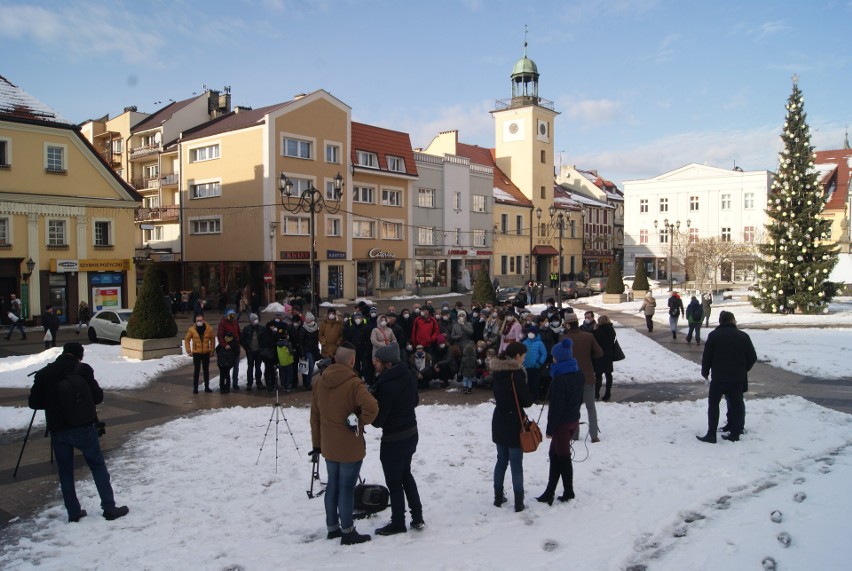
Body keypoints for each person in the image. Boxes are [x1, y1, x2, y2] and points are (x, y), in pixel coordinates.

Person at [28, 342, 129, 522]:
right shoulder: (83, 370)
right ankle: (109, 507)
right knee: (97, 466)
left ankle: (73, 512)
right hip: (83, 426)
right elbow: (98, 397)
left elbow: (34, 403)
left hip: (58, 429)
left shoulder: (45, 373)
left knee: (65, 472)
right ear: (79, 355)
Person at [310, 342, 379, 545]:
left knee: (333, 485)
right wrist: (357, 421)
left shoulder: (319, 382)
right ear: (352, 360)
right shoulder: (353, 383)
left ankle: (332, 527)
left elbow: (315, 416)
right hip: (349, 445)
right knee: (346, 488)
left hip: (329, 445)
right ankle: (348, 531)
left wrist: (317, 444)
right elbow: (372, 408)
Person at [370, 343, 425, 535]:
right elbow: (415, 401)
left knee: (394, 482)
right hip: (411, 433)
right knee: (406, 475)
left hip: (394, 438)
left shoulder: (386, 384)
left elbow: (378, 420)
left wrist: (369, 411)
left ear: (387, 363)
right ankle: (417, 516)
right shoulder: (408, 375)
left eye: (377, 361)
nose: (374, 364)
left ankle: (398, 522)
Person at [536, 337, 585, 505]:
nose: (553, 359)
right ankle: (550, 491)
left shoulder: (559, 378)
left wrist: (550, 430)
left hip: (561, 424)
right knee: (555, 454)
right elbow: (579, 399)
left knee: (562, 457)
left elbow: (556, 408)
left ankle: (568, 491)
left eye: (554, 357)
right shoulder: (577, 372)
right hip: (573, 420)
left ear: (559, 358)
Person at [697, 311, 757, 443]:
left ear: (720, 321)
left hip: (719, 378)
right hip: (737, 378)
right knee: (736, 404)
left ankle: (711, 434)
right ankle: (735, 432)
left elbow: (707, 357)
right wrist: (743, 369)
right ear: (733, 320)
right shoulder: (743, 336)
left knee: (713, 404)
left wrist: (705, 372)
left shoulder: (714, 336)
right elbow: (752, 357)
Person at [490, 342, 534, 513]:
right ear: (517, 357)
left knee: (501, 460)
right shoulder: (515, 375)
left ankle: (498, 496)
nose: (524, 359)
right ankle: (519, 501)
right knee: (516, 463)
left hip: (499, 418)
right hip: (514, 421)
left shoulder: (498, 371)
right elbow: (527, 401)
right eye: (523, 356)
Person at [563, 313, 604, 442]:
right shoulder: (588, 336)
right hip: (587, 376)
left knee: (574, 407)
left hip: (571, 378)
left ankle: (574, 434)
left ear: (567, 324)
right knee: (591, 407)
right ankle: (594, 435)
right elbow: (599, 353)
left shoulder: (564, 340)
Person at [185, 313, 215, 394]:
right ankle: (195, 388)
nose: (199, 322)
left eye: (200, 320)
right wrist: (189, 351)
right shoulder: (192, 329)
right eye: (198, 320)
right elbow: (187, 339)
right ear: (195, 321)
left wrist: (212, 350)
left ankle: (207, 387)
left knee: (206, 371)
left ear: (203, 320)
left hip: (205, 352)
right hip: (196, 353)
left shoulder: (209, 329)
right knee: (196, 371)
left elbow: (212, 339)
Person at [592, 315, 617, 401]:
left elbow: (594, 341)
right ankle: (607, 394)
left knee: (598, 376)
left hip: (599, 355)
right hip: (608, 355)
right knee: (608, 375)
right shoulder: (611, 330)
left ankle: (596, 394)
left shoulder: (598, 331)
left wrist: (594, 330)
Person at [217, 308, 241, 390]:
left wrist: (238, 341)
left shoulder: (235, 322)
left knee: (236, 366)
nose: (232, 317)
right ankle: (225, 384)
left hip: (235, 347)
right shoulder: (223, 323)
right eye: (231, 315)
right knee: (226, 367)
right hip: (228, 348)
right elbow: (220, 335)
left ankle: (235, 383)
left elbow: (238, 333)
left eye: (233, 315)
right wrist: (225, 344)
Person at [241, 313, 266, 390]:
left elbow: (264, 339)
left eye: (256, 319)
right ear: (251, 320)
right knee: (250, 368)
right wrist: (247, 348)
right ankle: (249, 384)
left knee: (258, 367)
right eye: (254, 319)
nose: (256, 320)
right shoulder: (246, 329)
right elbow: (242, 340)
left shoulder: (261, 328)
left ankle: (259, 383)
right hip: (250, 351)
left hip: (259, 351)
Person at [522, 325, 547, 402]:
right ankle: (527, 398)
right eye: (529, 332)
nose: (530, 334)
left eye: (532, 332)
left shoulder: (539, 343)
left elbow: (544, 353)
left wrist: (539, 363)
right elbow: (521, 352)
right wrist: (523, 363)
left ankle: (535, 398)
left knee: (535, 383)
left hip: (535, 367)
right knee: (526, 383)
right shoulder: (524, 342)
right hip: (526, 367)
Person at [297, 312, 320, 390]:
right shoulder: (303, 329)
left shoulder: (315, 328)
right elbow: (301, 342)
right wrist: (302, 354)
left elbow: (316, 340)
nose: (310, 322)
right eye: (309, 320)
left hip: (313, 350)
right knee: (309, 367)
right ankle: (307, 383)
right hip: (307, 350)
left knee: (311, 366)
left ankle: (307, 382)